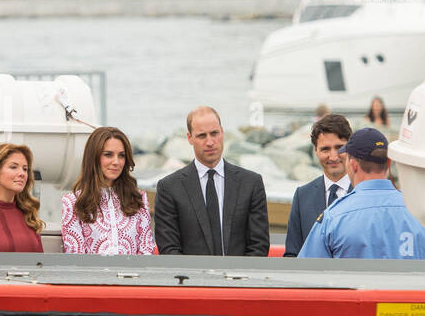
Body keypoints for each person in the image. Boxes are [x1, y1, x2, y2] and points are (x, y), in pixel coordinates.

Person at [297, 127, 425, 260]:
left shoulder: (334, 217)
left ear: (353, 164)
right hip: (410, 292)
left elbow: (307, 274)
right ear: (389, 163)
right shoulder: (421, 215)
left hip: (355, 293)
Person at [154, 106, 269, 256]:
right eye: (202, 136)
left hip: (239, 277)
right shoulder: (169, 188)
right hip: (190, 278)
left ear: (222, 132)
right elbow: (169, 249)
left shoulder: (251, 183)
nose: (210, 142)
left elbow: (259, 246)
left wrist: (236, 278)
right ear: (190, 138)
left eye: (214, 133)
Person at [61, 127, 156, 255]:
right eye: (108, 155)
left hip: (133, 274)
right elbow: (75, 257)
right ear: (93, 157)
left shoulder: (138, 198)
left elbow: (146, 250)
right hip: (92, 275)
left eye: (121, 155)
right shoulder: (72, 202)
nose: (116, 162)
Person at [284, 113, 353, 256]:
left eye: (339, 148)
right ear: (315, 150)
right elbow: (292, 254)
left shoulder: (364, 194)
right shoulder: (302, 196)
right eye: (325, 149)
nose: (333, 156)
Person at [0, 143, 44, 253]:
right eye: (13, 167)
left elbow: (41, 263)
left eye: (25, 169)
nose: (22, 173)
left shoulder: (28, 215)